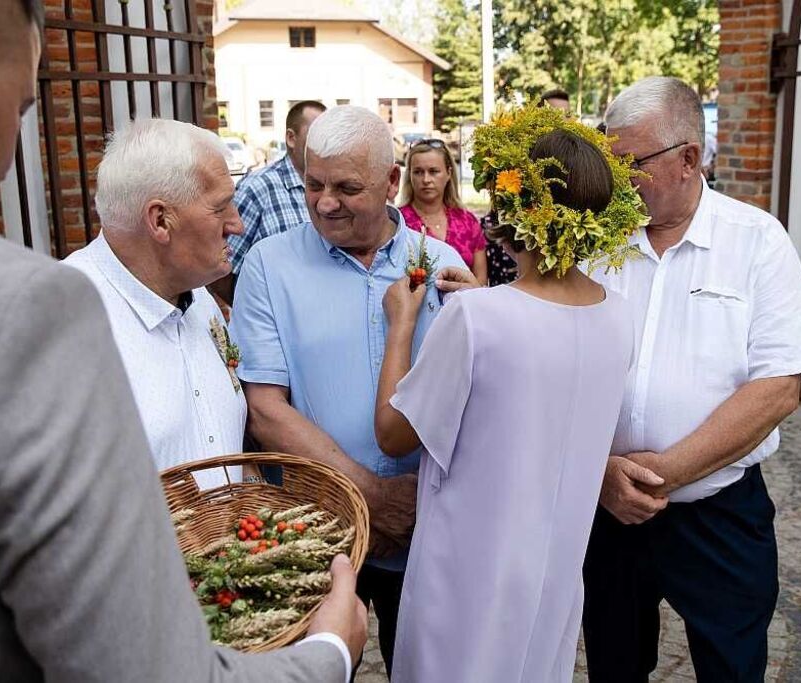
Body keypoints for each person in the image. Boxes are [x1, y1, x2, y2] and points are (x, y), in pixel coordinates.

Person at [0, 1, 366, 680]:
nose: (240, 225)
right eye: (19, 109)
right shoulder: (51, 312)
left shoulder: (207, 311)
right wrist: (328, 653)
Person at [375, 106, 647, 683]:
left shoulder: (475, 317)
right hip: (553, 569)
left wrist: (401, 325)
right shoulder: (620, 317)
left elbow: (395, 434)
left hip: (467, 571)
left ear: (517, 210)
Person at [582, 76, 801, 682]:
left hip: (717, 514)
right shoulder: (595, 243)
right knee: (614, 666)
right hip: (608, 509)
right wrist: (600, 475)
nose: (614, 181)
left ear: (688, 159)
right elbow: (555, 369)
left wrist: (659, 474)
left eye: (629, 164)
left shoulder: (756, 241)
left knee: (731, 667)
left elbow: (778, 388)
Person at [229, 105, 466, 677]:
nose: (325, 202)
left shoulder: (442, 266)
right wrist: (370, 498)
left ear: (390, 183)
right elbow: (266, 411)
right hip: (320, 523)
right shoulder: (269, 264)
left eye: (346, 188)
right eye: (313, 184)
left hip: (428, 520)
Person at [65, 118, 247, 488]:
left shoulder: (199, 297)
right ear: (161, 220)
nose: (237, 224)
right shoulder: (65, 322)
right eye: (221, 208)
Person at [213, 100, 327, 305]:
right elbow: (221, 266)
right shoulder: (259, 188)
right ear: (291, 138)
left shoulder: (332, 191)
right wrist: (255, 313)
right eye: (317, 135)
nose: (325, 143)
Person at [397, 138, 487, 284]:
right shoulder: (398, 222)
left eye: (433, 171)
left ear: (448, 173)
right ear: (410, 175)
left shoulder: (467, 222)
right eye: (418, 172)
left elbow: (480, 283)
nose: (426, 179)